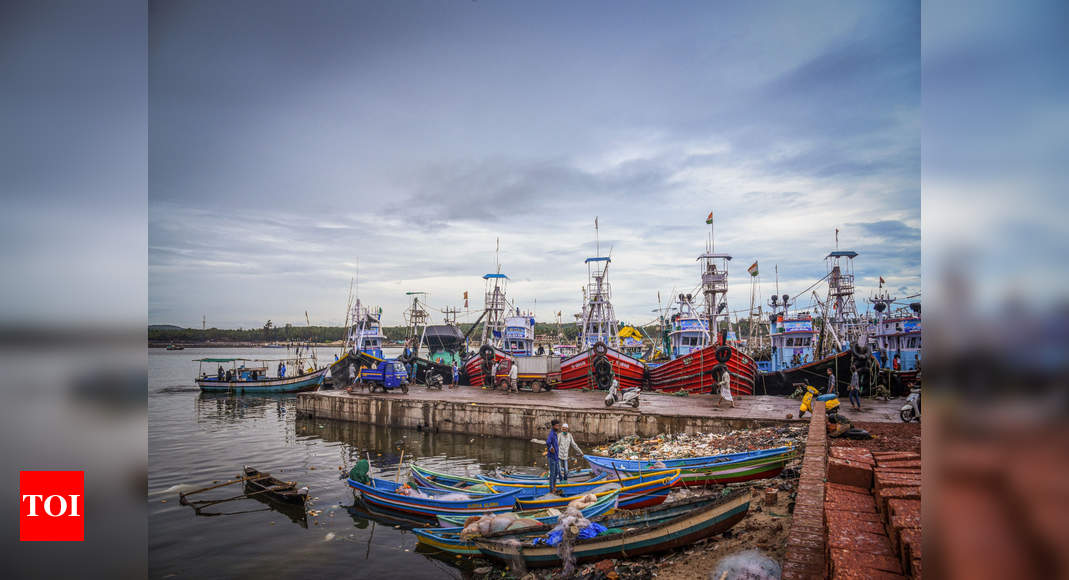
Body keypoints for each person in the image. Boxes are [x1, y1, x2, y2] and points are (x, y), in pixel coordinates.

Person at [544, 420, 561, 493]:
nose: (558, 427)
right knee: (552, 473)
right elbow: (548, 442)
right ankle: (551, 489)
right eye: (557, 425)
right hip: (552, 457)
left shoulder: (555, 434)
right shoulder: (551, 434)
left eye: (558, 425)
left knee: (556, 472)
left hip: (556, 457)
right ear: (553, 426)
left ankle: (554, 487)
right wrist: (550, 448)